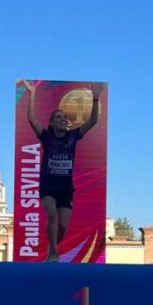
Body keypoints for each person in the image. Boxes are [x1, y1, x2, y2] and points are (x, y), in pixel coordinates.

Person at [20, 80, 104, 262]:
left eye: (64, 117)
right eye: (59, 117)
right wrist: (32, 94)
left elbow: (93, 120)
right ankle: (53, 254)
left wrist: (96, 99)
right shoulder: (46, 136)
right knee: (52, 214)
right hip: (48, 187)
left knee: (63, 226)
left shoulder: (73, 136)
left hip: (66, 189)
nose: (63, 119)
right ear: (52, 123)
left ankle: (52, 248)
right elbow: (31, 119)